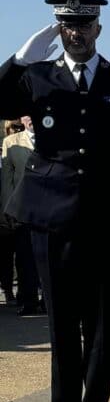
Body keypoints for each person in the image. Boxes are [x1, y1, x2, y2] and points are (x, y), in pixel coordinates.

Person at [0, 0, 110, 402]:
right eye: (67, 25)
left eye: (84, 26)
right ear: (58, 30)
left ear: (98, 29)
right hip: (49, 213)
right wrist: (19, 59)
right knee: (60, 319)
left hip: (103, 216)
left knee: (99, 320)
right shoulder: (38, 76)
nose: (76, 33)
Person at [1, 116, 43, 314]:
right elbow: (7, 179)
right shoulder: (10, 142)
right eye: (27, 116)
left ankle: (49, 300)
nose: (31, 119)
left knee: (47, 256)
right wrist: (8, 208)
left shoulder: (53, 137)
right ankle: (28, 300)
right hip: (23, 207)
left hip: (49, 207)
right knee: (25, 257)